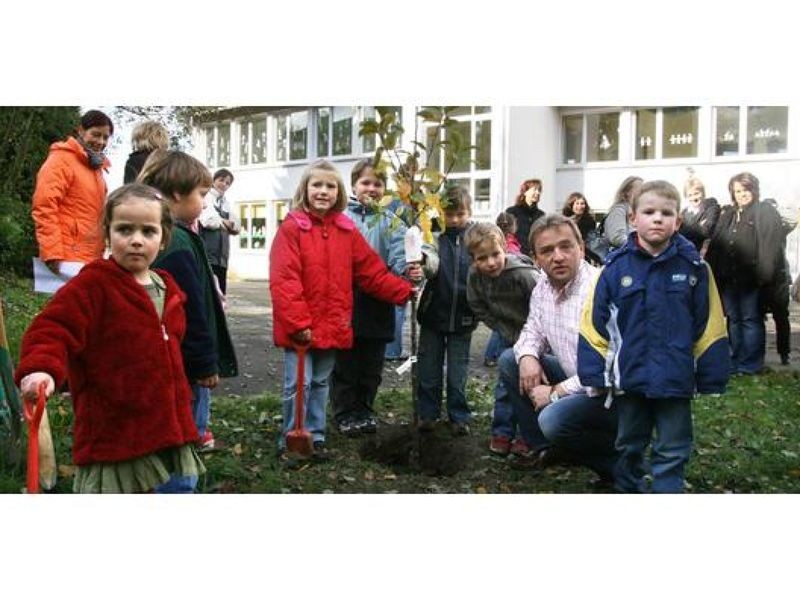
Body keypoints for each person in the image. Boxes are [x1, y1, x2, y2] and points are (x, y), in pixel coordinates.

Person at [15, 183, 205, 493]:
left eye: (148, 231)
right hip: (116, 433)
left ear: (163, 237)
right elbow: (53, 328)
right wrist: (41, 367)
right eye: (124, 229)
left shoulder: (168, 287)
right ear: (107, 233)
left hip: (169, 427)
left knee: (178, 488)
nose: (136, 241)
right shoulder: (93, 285)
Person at [579, 180, 729, 493]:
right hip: (631, 378)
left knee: (673, 447)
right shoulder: (614, 270)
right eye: (649, 212)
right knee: (629, 444)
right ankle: (628, 488)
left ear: (678, 221)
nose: (657, 218)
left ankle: (667, 491)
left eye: (666, 212)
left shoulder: (695, 270)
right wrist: (595, 371)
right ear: (633, 218)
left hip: (675, 380)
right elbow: (595, 325)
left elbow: (709, 324)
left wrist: (711, 372)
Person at [269, 160, 414, 460]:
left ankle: (316, 435)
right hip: (302, 326)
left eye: (330, 186)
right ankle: (292, 437)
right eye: (317, 185)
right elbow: (284, 279)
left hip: (331, 323)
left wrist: (403, 291)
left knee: (321, 382)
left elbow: (371, 272)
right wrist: (297, 321)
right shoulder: (293, 228)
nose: (323, 191)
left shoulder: (346, 230)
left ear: (339, 192)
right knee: (299, 383)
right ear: (305, 189)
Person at [497, 214, 618, 487]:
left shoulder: (601, 288)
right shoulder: (543, 286)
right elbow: (531, 330)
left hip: (614, 394)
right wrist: (528, 356)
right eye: (547, 251)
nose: (558, 256)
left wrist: (555, 393)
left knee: (553, 419)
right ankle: (547, 448)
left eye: (566, 247)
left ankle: (620, 467)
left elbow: (609, 367)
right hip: (578, 378)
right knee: (511, 361)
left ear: (582, 249)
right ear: (536, 258)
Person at [139, 151, 238, 453]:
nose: (205, 202)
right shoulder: (176, 242)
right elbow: (190, 309)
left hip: (177, 360)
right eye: (202, 194)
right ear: (178, 194)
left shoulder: (173, 235)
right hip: (186, 364)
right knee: (185, 432)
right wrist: (204, 362)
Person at [330, 159, 423, 435]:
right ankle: (345, 412)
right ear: (353, 185)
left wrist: (408, 269)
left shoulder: (391, 220)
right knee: (346, 362)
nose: (371, 188)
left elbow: (397, 254)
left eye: (377, 184)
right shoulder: (340, 218)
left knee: (372, 363)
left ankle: (365, 409)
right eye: (365, 183)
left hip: (379, 296)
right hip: (346, 297)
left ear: (385, 189)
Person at [466, 222, 539, 457]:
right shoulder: (475, 276)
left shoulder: (523, 274)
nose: (490, 263)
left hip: (536, 336)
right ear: (473, 259)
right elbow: (476, 304)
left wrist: (533, 338)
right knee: (505, 388)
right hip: (507, 334)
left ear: (504, 249)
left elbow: (543, 304)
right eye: (482, 258)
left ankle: (528, 435)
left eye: (496, 254)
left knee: (531, 387)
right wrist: (497, 325)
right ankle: (502, 432)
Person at [706, 172, 785, 375]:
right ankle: (736, 359)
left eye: (745, 190)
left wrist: (763, 276)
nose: (742, 194)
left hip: (752, 279)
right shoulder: (729, 214)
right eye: (738, 191)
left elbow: (771, 246)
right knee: (733, 319)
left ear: (754, 190)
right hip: (728, 279)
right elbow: (716, 244)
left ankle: (750, 364)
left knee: (751, 319)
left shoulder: (764, 212)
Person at [416, 185, 476, 435]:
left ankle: (458, 416)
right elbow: (429, 262)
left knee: (457, 373)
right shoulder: (434, 236)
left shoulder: (474, 239)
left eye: (459, 214)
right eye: (448, 214)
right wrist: (422, 262)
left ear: (469, 212)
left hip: (464, 316)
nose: (453, 220)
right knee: (428, 369)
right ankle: (428, 415)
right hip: (433, 315)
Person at [31, 109, 114, 274]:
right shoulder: (62, 159)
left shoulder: (96, 167)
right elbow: (44, 206)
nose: (101, 141)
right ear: (81, 131)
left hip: (90, 257)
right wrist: (52, 251)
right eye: (96, 134)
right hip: (67, 256)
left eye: (105, 137)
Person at [761, 198, 795, 365]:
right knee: (759, 318)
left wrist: (778, 211)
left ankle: (784, 353)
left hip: (779, 277)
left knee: (781, 318)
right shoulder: (759, 227)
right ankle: (762, 353)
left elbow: (794, 219)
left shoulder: (780, 227)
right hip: (763, 278)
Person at [199, 168, 241, 294]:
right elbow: (207, 221)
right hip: (208, 255)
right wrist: (225, 223)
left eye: (228, 183)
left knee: (221, 293)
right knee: (209, 292)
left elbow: (237, 226)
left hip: (222, 257)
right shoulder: (206, 197)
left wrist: (225, 223)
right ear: (214, 180)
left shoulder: (225, 203)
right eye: (221, 180)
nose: (224, 184)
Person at [678, 174, 720, 256]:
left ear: (703, 193)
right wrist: (699, 226)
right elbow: (679, 235)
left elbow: (706, 231)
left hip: (704, 253)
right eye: (690, 195)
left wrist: (687, 229)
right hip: (686, 253)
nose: (694, 198)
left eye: (696, 193)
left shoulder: (711, 207)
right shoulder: (684, 212)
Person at [602, 176, 643, 251]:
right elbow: (617, 237)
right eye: (639, 189)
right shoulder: (618, 210)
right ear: (627, 192)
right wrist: (639, 247)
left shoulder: (638, 210)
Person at [505, 178, 544, 256]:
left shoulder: (541, 215)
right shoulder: (512, 212)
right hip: (516, 256)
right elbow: (506, 235)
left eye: (539, 190)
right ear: (525, 192)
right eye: (534, 190)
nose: (537, 193)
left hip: (535, 258)